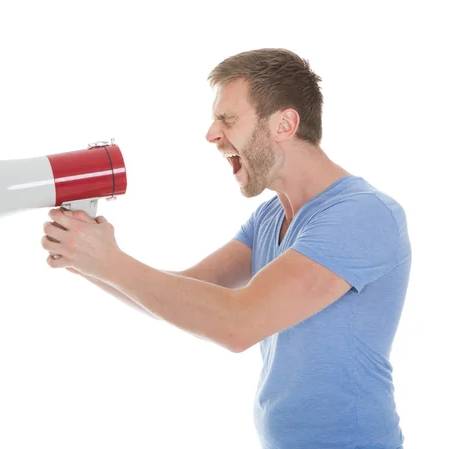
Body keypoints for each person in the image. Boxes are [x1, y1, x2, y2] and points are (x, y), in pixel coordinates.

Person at [41, 48, 411, 449]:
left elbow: (237, 324)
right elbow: (185, 289)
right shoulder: (271, 217)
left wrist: (108, 261)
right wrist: (86, 259)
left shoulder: (361, 214)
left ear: (285, 124)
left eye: (227, 119)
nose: (211, 134)